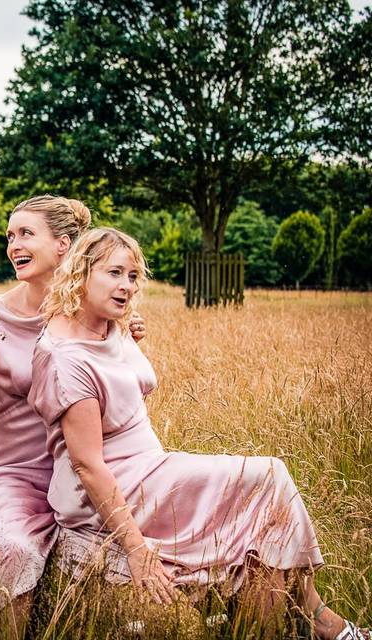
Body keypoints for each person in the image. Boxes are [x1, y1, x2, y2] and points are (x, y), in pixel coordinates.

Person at [27, 227, 368, 640]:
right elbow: (88, 465)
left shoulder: (106, 325)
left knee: (259, 514)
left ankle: (298, 621)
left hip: (149, 465)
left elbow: (123, 376)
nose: (126, 286)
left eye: (133, 276)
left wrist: (126, 333)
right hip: (118, 482)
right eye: (114, 273)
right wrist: (136, 551)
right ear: (80, 273)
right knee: (268, 476)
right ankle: (322, 623)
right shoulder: (66, 359)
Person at [0, 196, 145, 639]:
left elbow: (120, 390)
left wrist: (130, 338)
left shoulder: (96, 311)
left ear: (63, 245)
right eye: (9, 236)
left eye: (25, 233)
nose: (13, 244)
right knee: (17, 546)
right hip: (13, 471)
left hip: (85, 469)